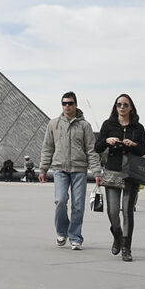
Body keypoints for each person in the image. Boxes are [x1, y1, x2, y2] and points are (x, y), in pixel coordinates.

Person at [40, 91, 100, 250]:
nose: (67, 106)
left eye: (70, 103)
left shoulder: (85, 126)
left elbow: (91, 151)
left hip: (79, 169)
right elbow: (47, 148)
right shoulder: (53, 124)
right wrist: (43, 169)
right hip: (60, 168)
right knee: (60, 201)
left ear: (76, 105)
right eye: (64, 103)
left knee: (78, 205)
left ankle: (75, 237)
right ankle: (62, 231)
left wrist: (96, 172)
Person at [93, 94, 145, 262]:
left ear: (131, 107)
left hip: (131, 174)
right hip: (113, 171)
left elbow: (144, 151)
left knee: (127, 211)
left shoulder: (137, 128)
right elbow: (97, 147)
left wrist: (134, 145)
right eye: (119, 104)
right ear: (115, 107)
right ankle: (117, 235)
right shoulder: (108, 124)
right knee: (112, 210)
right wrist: (107, 140)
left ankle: (126, 247)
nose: (122, 107)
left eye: (125, 104)